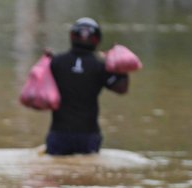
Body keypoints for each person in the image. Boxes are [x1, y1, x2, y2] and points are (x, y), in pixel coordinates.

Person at [45, 17, 129, 155]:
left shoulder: (56, 63)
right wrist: (122, 69)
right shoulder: (101, 66)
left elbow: (36, 89)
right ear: (96, 39)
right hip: (88, 135)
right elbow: (121, 88)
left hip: (59, 133)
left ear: (72, 36)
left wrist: (47, 59)